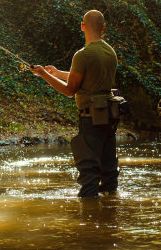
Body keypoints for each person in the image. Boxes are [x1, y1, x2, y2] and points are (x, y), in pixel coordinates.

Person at [31, 10, 119, 197]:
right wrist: (58, 73)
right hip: (110, 116)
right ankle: (111, 212)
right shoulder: (110, 52)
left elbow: (70, 90)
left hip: (91, 118)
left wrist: (44, 74)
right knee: (109, 169)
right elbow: (88, 77)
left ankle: (87, 217)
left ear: (82, 26)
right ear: (103, 28)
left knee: (89, 171)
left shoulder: (83, 55)